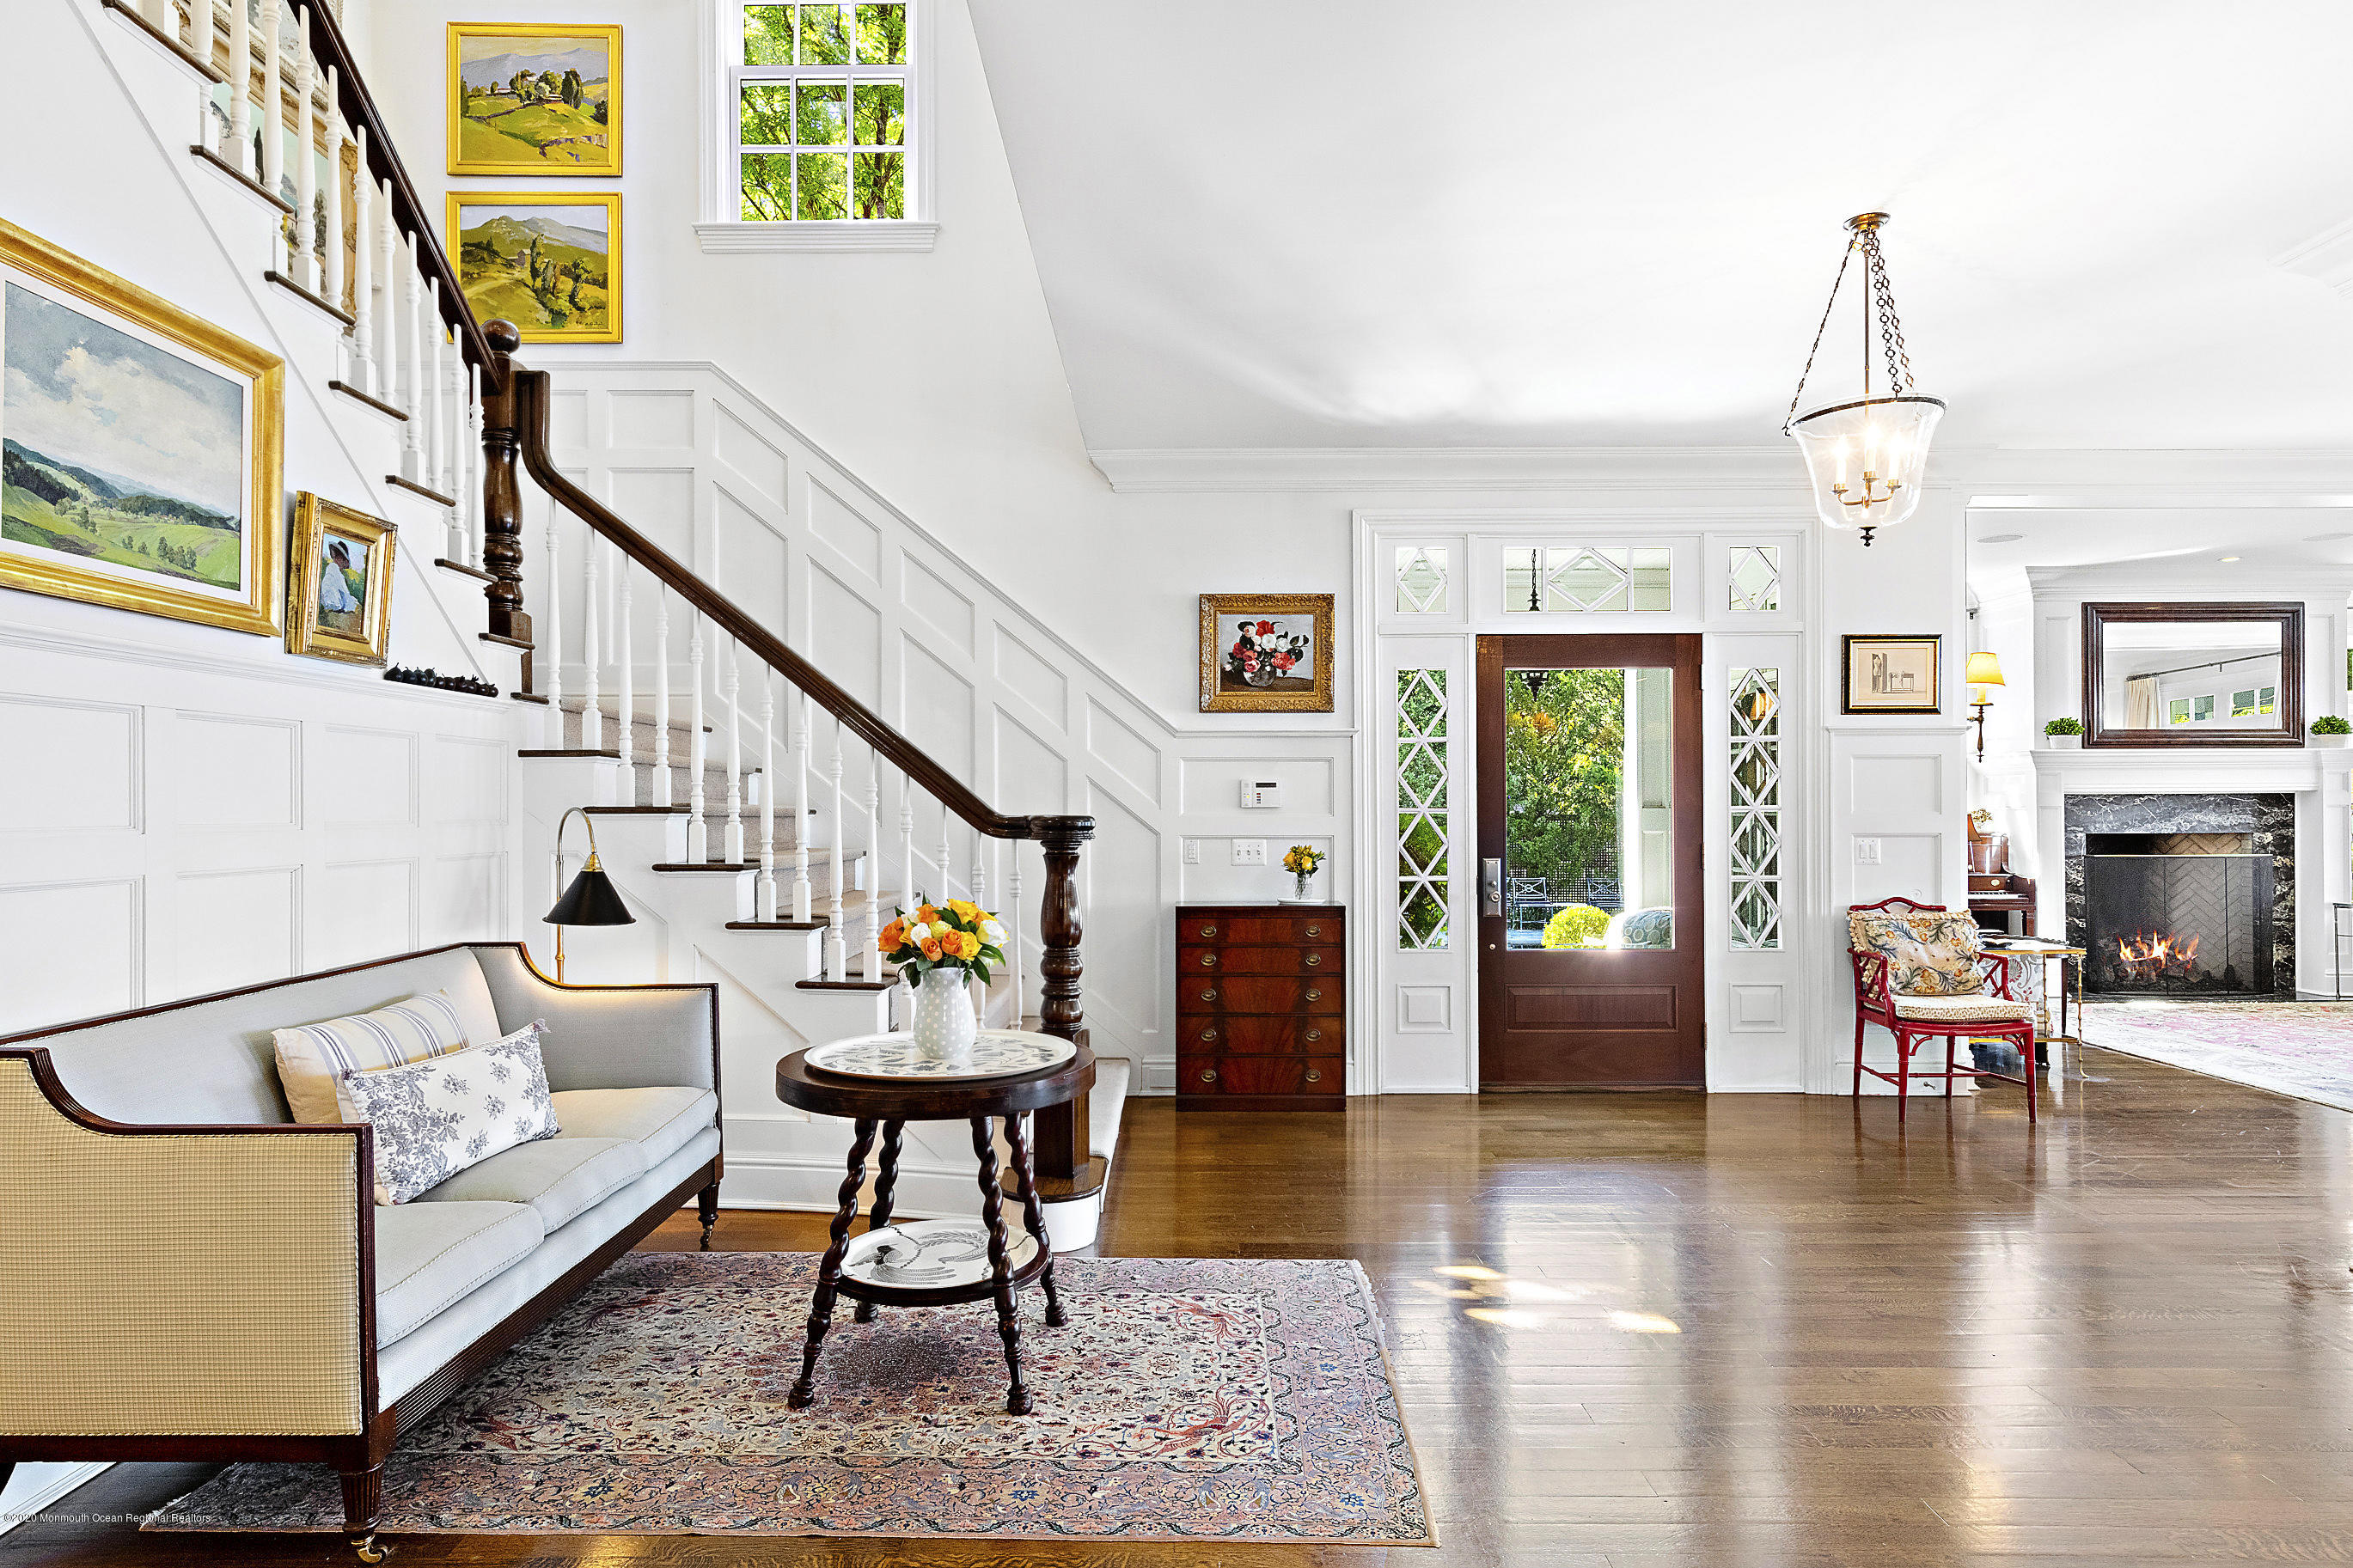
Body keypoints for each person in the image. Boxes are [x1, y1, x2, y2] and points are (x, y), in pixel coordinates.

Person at [319, 538, 360, 615]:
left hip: (334, 608)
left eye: (338, 558)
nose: (336, 560)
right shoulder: (333, 569)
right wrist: (355, 606)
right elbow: (346, 596)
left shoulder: (337, 572)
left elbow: (344, 595)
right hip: (333, 610)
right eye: (335, 558)